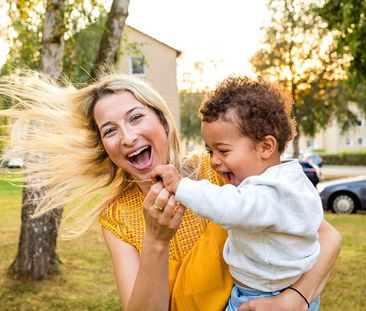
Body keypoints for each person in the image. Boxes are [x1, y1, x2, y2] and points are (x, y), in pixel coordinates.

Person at [0, 72, 341, 311]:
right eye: (110, 130)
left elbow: (325, 237)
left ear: (161, 121)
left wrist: (295, 298)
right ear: (105, 146)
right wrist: (157, 240)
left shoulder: (218, 171)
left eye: (135, 118)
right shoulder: (117, 218)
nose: (128, 137)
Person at [152, 76, 324, 310]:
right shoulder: (292, 179)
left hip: (266, 296)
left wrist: (181, 186)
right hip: (276, 289)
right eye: (210, 150)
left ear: (265, 147)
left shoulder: (270, 193)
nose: (214, 161)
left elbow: (228, 206)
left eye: (223, 151)